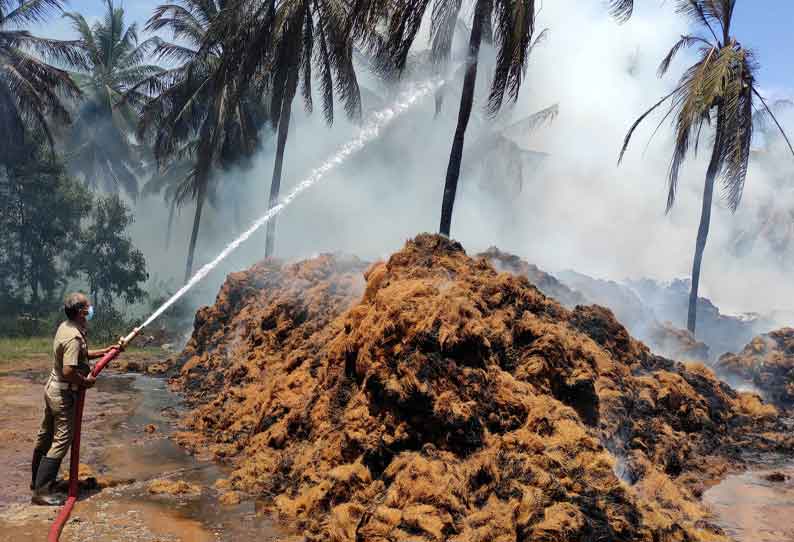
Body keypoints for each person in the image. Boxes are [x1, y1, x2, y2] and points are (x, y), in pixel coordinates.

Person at [30, 292, 122, 506]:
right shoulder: (74, 337)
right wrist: (85, 382)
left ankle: (37, 482)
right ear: (81, 311)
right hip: (63, 394)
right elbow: (70, 369)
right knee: (61, 441)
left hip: (53, 389)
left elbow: (80, 355)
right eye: (87, 306)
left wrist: (105, 352)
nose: (90, 308)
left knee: (45, 437)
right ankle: (41, 492)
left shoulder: (67, 327)